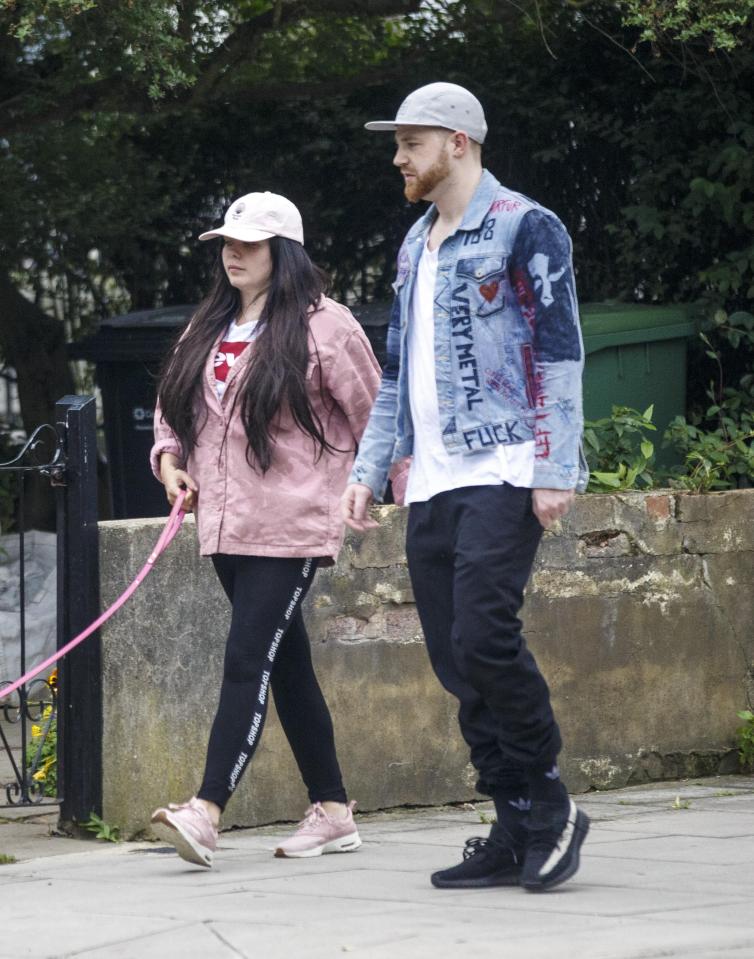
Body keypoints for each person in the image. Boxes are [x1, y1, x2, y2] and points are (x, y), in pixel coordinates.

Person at [341, 83, 590, 893]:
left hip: (506, 464)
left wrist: (554, 467)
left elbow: (560, 352)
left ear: (457, 142)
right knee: (455, 656)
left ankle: (551, 804)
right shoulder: (418, 243)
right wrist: (367, 468)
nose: (398, 158)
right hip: (433, 477)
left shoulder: (524, 225)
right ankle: (513, 818)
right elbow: (394, 373)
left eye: (410, 142)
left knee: (486, 635)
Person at [149, 191, 384, 868]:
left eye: (249, 243)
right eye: (227, 241)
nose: (233, 253)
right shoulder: (209, 324)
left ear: (284, 252)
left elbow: (375, 409)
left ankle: (206, 810)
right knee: (287, 664)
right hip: (224, 524)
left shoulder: (326, 326)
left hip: (294, 522)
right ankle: (334, 809)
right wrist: (169, 462)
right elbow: (171, 405)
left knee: (246, 657)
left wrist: (382, 488)